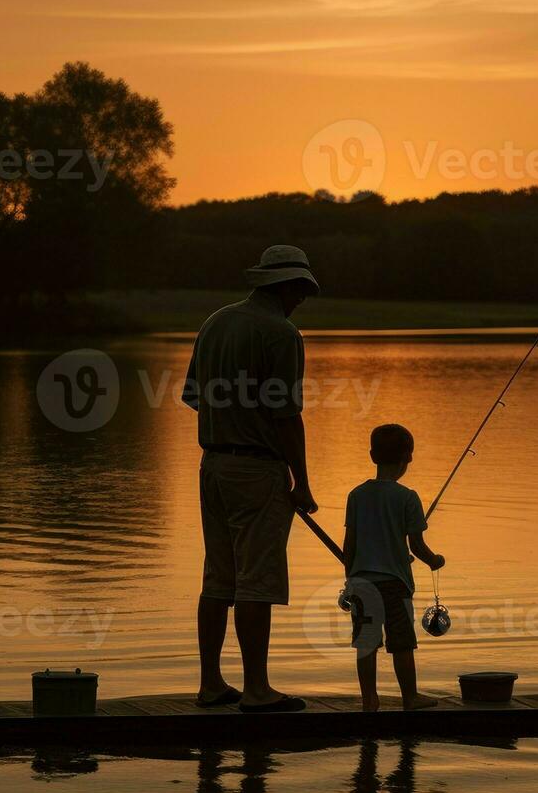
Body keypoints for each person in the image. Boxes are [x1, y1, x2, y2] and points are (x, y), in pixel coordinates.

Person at [181, 245, 320, 713]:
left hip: (212, 466)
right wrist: (301, 482)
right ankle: (257, 690)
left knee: (218, 578)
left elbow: (193, 396)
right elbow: (286, 416)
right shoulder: (281, 334)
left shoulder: (215, 322)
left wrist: (231, 418)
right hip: (257, 469)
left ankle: (210, 685)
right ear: (284, 286)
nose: (302, 298)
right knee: (256, 581)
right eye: (300, 289)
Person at [341, 424, 444, 712]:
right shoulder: (408, 497)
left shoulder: (356, 495)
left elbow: (350, 544)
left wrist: (350, 578)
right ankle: (410, 697)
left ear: (372, 455)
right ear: (407, 458)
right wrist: (435, 560)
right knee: (401, 643)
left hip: (361, 582)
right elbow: (417, 547)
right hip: (395, 583)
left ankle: (369, 700)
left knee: (366, 643)